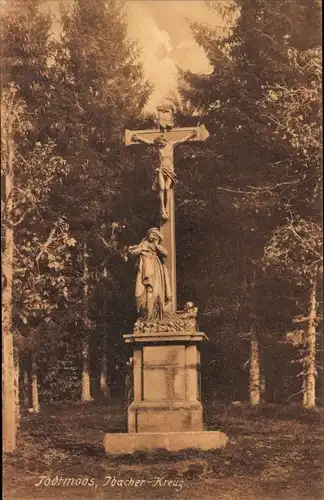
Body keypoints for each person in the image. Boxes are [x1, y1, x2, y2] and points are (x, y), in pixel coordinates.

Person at [132, 131, 196, 220]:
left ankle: (166, 208)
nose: (159, 145)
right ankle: (162, 209)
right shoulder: (159, 148)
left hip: (169, 170)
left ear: (163, 141)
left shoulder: (171, 145)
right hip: (161, 170)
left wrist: (190, 135)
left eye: (160, 143)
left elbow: (181, 140)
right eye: (158, 144)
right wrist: (138, 138)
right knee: (161, 189)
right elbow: (149, 142)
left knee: (167, 188)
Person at [128, 228, 171, 319]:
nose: (153, 236)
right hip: (144, 269)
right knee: (139, 291)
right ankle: (144, 313)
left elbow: (165, 253)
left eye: (155, 235)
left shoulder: (156, 246)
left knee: (154, 291)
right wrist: (141, 249)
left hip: (155, 269)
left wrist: (156, 245)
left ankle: (152, 314)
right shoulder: (144, 243)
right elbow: (133, 252)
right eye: (152, 234)